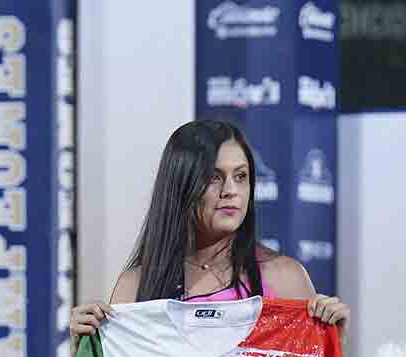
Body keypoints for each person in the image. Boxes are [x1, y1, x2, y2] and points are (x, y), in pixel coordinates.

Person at [68, 119, 348, 339]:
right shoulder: (136, 287)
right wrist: (85, 349)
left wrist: (333, 338)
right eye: (214, 177)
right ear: (181, 185)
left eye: (241, 176)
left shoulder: (285, 278)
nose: (231, 191)